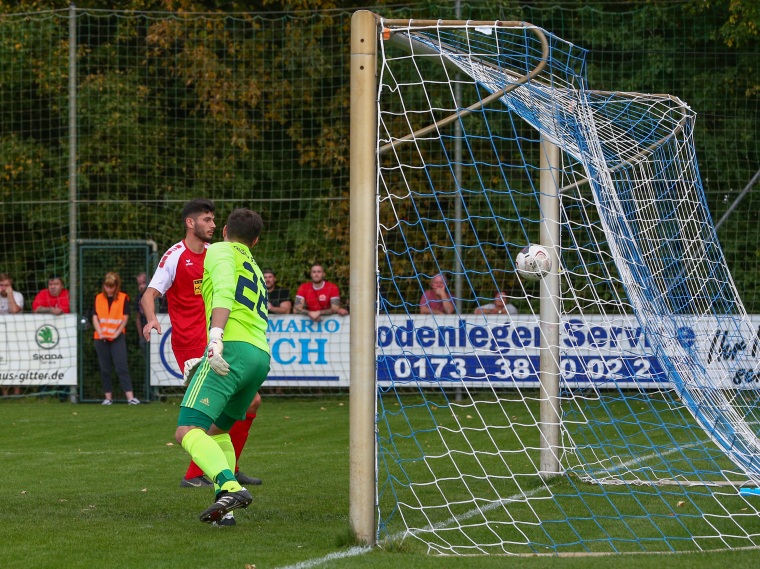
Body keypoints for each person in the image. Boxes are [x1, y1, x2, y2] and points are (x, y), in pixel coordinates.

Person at [142, 198, 262, 490]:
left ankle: (223, 468)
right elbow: (149, 294)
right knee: (211, 412)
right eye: (206, 220)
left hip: (217, 338)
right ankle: (206, 473)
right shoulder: (174, 256)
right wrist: (150, 319)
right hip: (189, 342)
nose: (212, 225)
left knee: (252, 402)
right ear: (190, 222)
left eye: (213, 220)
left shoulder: (217, 252)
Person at [175, 208, 270, 526]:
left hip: (230, 350)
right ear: (254, 241)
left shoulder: (218, 250)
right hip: (259, 356)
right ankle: (225, 510)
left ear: (226, 229)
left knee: (187, 430)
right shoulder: (254, 266)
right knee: (218, 432)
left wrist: (215, 339)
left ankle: (230, 487)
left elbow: (226, 292)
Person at [92, 272, 140, 405]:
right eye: (107, 286)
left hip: (117, 337)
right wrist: (100, 332)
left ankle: (130, 398)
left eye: (111, 286)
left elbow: (125, 317)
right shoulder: (98, 298)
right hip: (100, 338)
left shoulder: (123, 298)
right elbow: (95, 316)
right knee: (105, 368)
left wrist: (116, 333)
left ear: (116, 286)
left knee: (121, 367)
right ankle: (108, 398)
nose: (109, 289)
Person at [134, 272, 149, 360]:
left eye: (144, 283)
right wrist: (140, 336)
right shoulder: (138, 298)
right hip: (145, 334)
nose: (141, 286)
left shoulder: (159, 296)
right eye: (139, 284)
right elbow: (138, 317)